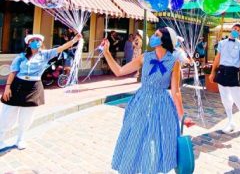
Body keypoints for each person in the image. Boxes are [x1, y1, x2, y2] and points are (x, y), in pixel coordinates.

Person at [102, 27, 185, 174]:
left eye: (157, 35)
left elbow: (175, 91)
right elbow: (119, 71)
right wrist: (107, 53)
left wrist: (182, 115)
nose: (153, 37)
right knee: (136, 137)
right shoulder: (144, 57)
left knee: (156, 139)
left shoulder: (174, 62)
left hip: (162, 105)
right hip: (141, 102)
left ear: (164, 40)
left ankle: (150, 169)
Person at [0, 33, 82, 150]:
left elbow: (61, 48)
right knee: (8, 114)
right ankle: (1, 139)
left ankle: (21, 139)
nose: (36, 42)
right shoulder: (21, 57)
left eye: (38, 40)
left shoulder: (45, 54)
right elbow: (13, 72)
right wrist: (8, 87)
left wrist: (74, 40)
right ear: (28, 43)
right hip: (17, 85)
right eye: (33, 40)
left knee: (27, 116)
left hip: (34, 86)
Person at [209, 24, 240, 135]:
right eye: (234, 29)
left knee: (239, 100)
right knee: (225, 99)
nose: (235, 30)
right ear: (231, 30)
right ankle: (230, 121)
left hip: (234, 72)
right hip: (222, 71)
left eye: (238, 30)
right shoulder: (221, 43)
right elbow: (217, 58)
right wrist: (212, 72)